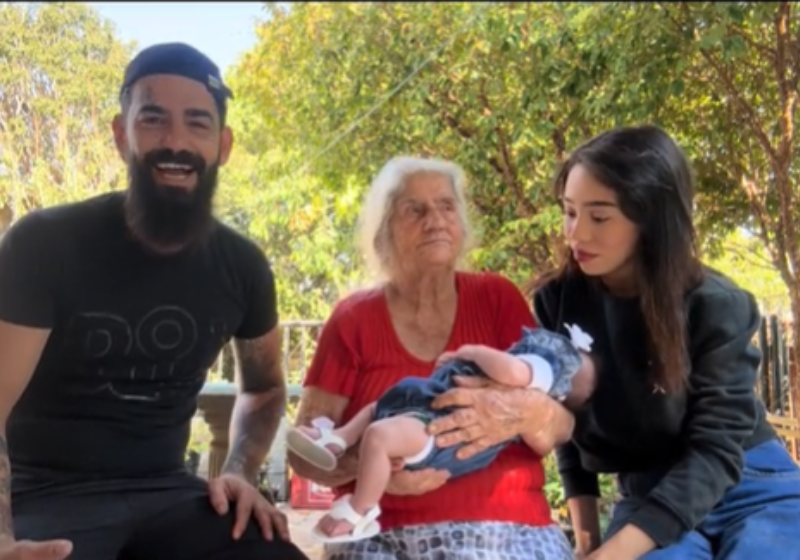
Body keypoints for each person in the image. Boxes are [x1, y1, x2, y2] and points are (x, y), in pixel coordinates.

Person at [0, 43, 309, 560]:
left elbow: (264, 388)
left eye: (197, 124)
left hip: (171, 495)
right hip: (44, 497)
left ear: (223, 145)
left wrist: (237, 472)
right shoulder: (42, 244)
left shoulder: (243, 266)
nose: (176, 142)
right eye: (153, 119)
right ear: (122, 135)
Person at [288, 155, 596, 560]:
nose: (434, 219)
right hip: (384, 536)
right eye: (413, 209)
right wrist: (370, 468)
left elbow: (558, 424)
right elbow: (303, 456)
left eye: (446, 206)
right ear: (384, 233)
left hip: (508, 532)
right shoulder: (353, 320)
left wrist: (524, 412)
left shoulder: (496, 298)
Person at [532, 124, 800, 560]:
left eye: (599, 217)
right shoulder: (557, 301)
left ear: (651, 220)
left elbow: (717, 448)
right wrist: (587, 542)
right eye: (568, 211)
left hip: (751, 482)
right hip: (647, 494)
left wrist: (615, 553)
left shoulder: (716, 303)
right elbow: (562, 422)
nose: (576, 234)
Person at [287, 326, 586, 543]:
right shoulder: (353, 317)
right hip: (420, 408)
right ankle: (338, 439)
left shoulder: (537, 368)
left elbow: (517, 377)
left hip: (436, 430)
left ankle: (361, 509)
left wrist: (473, 352)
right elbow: (304, 465)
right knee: (377, 409)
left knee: (378, 436)